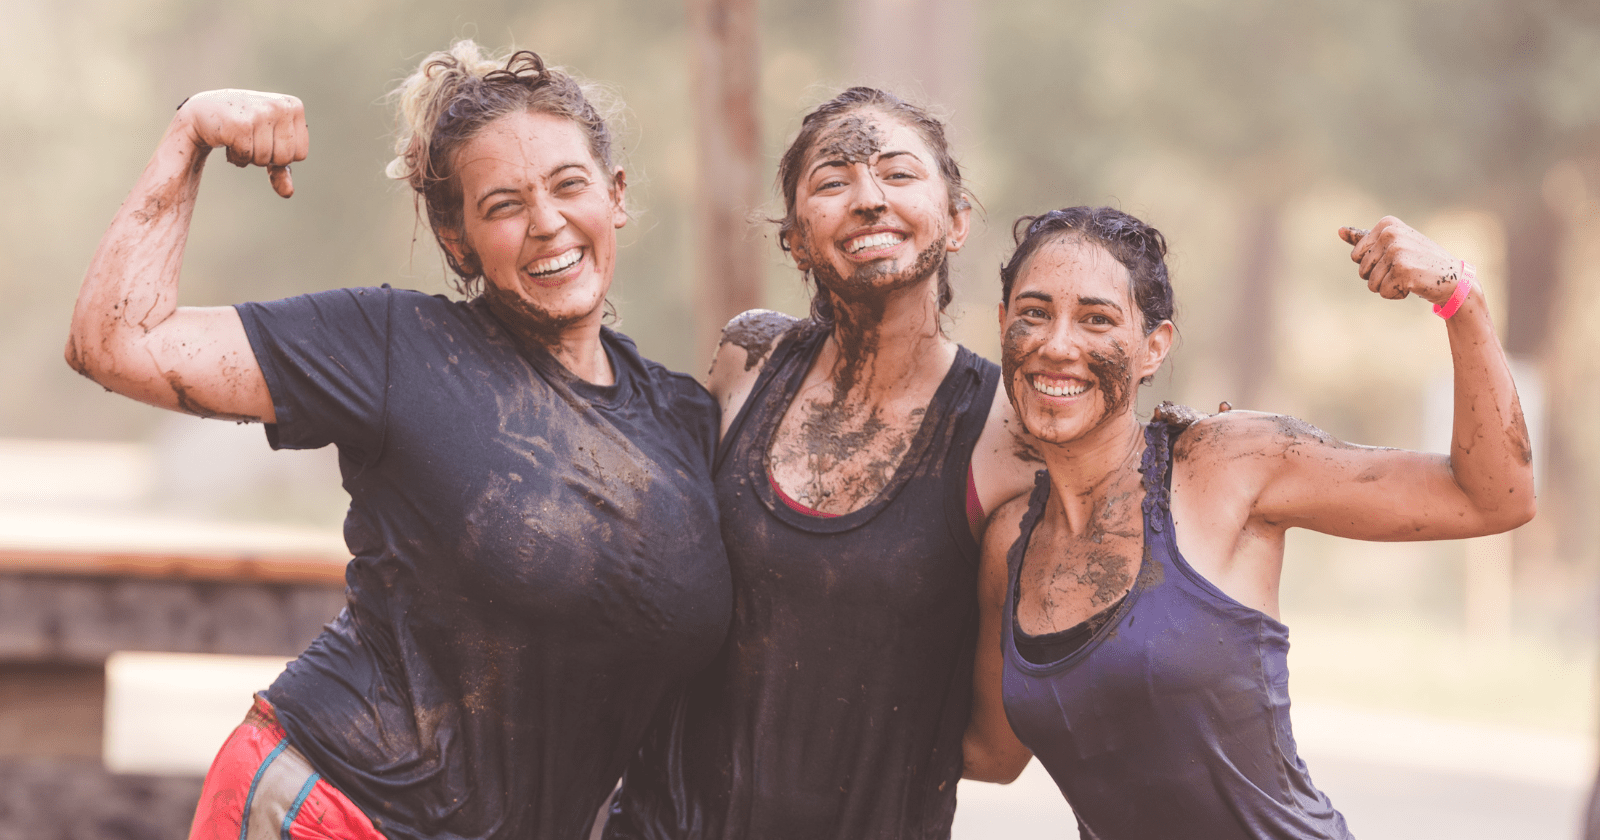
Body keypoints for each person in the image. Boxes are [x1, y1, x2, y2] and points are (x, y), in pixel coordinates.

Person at [66, 42, 731, 840]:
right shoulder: (394, 347)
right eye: (504, 205)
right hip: (329, 809)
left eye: (568, 185)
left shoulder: (687, 420)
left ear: (615, 195)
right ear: (457, 239)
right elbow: (116, 343)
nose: (548, 222)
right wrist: (191, 135)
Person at [961, 207, 1536, 838]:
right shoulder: (1010, 541)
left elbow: (1493, 497)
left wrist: (1460, 298)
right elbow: (993, 753)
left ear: (1154, 347)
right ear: (1003, 323)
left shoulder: (1225, 464)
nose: (1057, 344)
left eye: (1097, 319)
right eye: (1035, 313)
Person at [605, 88, 1043, 840]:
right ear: (797, 241)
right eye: (833, 182)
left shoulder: (1010, 434)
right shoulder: (748, 360)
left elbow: (999, 751)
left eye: (899, 175)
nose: (869, 200)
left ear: (958, 220)